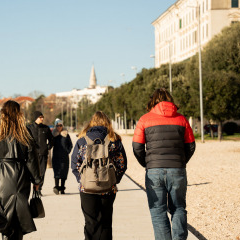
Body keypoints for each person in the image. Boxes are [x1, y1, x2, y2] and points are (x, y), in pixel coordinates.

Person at [132, 88, 196, 240]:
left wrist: (147, 163)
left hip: (154, 171)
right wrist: (180, 162)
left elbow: (137, 147)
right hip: (177, 170)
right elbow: (191, 145)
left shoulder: (144, 119)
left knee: (157, 212)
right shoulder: (182, 119)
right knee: (178, 208)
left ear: (152, 101)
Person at [0, 100, 41, 240]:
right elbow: (32, 159)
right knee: (19, 217)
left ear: (3, 113)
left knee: (4, 217)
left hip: (1, 176)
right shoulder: (25, 132)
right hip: (21, 176)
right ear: (19, 114)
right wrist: (36, 180)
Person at [71, 111, 127, 240]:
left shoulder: (82, 140)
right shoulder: (114, 140)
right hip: (108, 187)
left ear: (91, 123)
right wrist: (114, 179)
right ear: (107, 123)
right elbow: (122, 163)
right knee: (106, 223)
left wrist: (82, 180)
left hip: (87, 188)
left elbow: (74, 163)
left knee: (90, 222)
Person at [27, 111, 53, 195]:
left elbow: (52, 140)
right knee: (31, 172)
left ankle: (38, 190)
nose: (42, 118)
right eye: (40, 117)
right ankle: (32, 189)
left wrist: (48, 147)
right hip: (32, 155)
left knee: (42, 172)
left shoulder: (46, 128)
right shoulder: (29, 128)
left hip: (43, 154)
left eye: (42, 117)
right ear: (36, 118)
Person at [51, 118, 73, 195]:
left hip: (64, 157)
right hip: (56, 157)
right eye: (57, 125)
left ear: (62, 126)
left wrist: (67, 151)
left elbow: (70, 145)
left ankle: (62, 188)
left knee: (64, 172)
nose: (59, 127)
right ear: (55, 126)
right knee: (56, 171)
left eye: (60, 125)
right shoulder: (53, 135)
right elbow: (50, 144)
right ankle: (56, 187)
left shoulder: (66, 135)